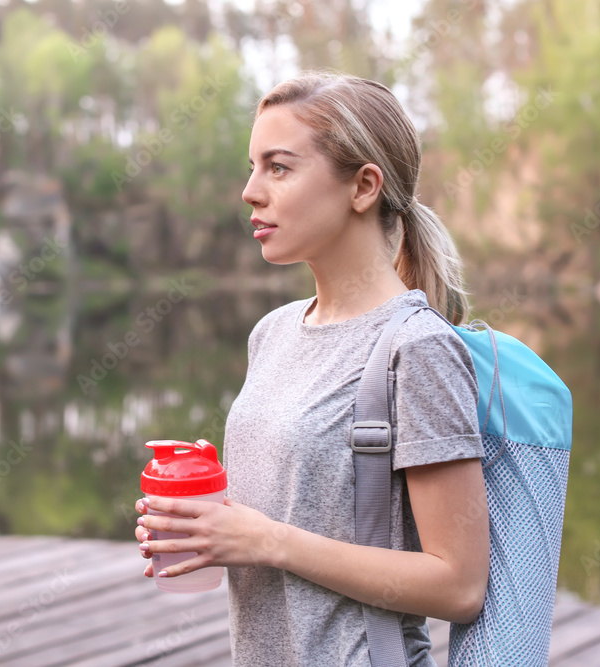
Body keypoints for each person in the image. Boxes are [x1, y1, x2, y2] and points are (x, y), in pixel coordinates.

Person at [135, 70, 490, 666]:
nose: (250, 190)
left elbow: (459, 585)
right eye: (252, 167)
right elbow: (301, 507)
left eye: (278, 167)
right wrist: (202, 496)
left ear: (363, 186)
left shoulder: (417, 348)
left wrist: (268, 541)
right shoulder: (272, 333)